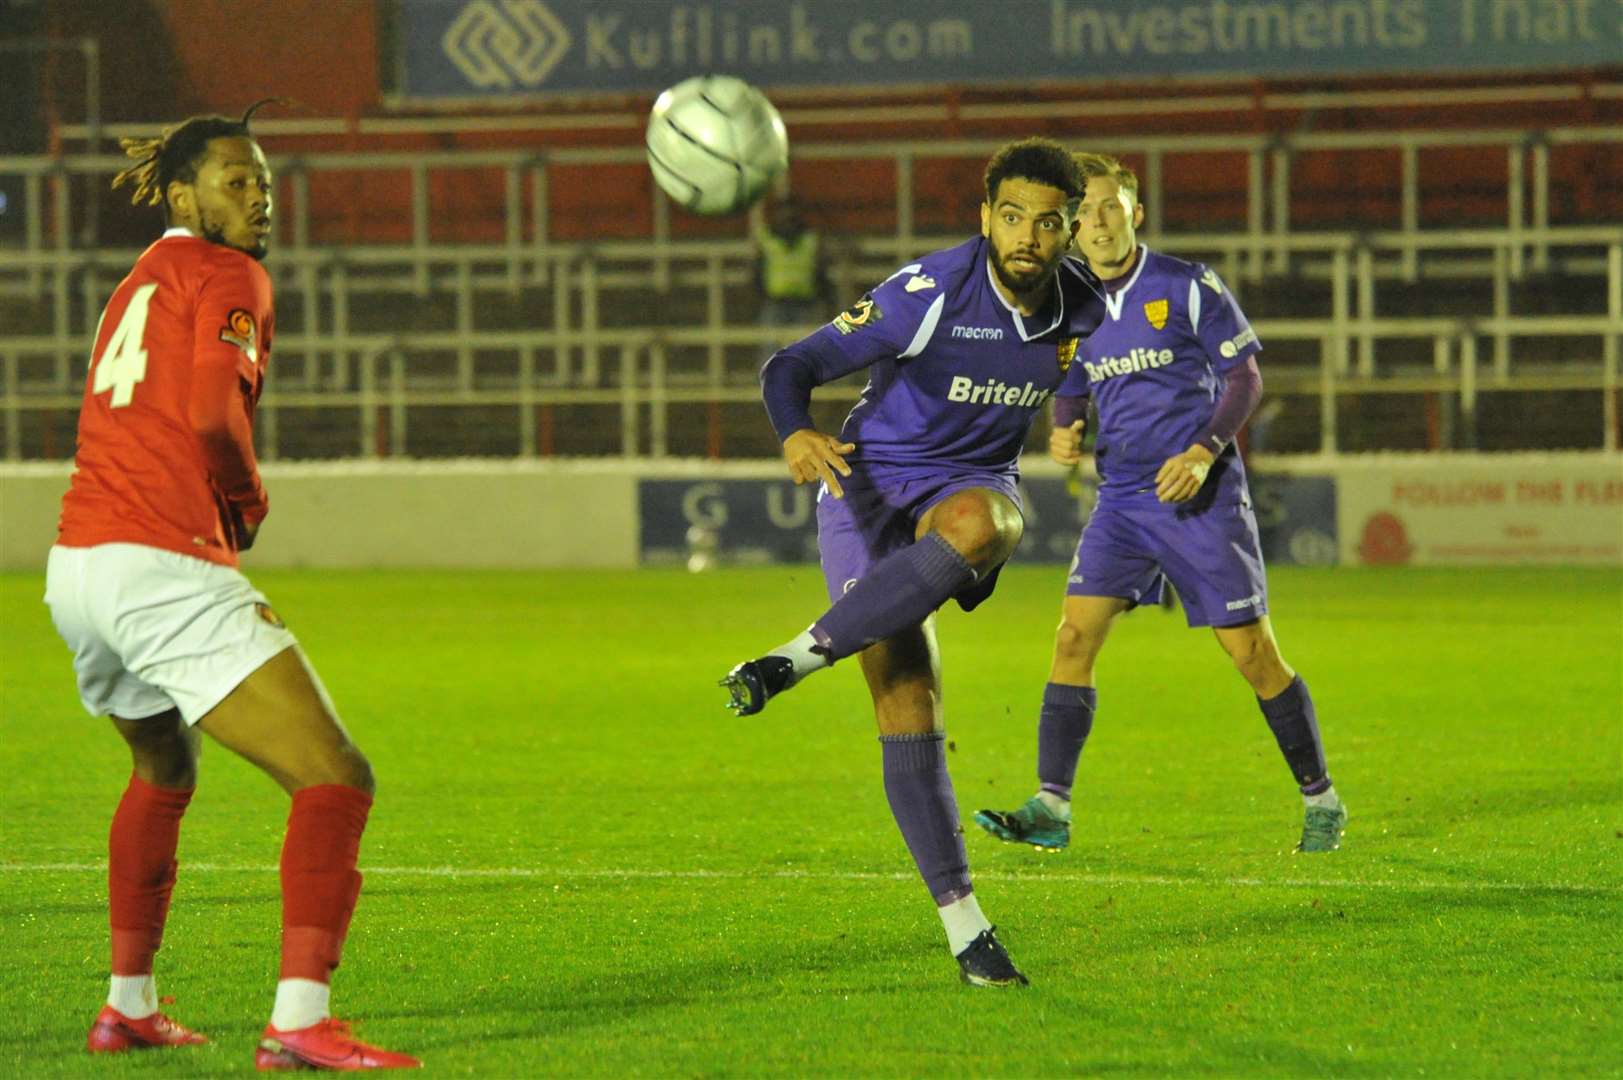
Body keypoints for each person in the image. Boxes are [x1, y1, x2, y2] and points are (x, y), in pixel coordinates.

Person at [44, 103, 419, 1069]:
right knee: (337, 778)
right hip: (160, 561)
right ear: (181, 196)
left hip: (78, 566)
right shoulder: (227, 274)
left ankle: (127, 1005)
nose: (258, 201)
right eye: (234, 182)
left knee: (163, 770)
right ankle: (299, 1023)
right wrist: (245, 497)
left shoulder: (139, 280)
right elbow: (214, 410)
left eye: (262, 182)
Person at [720, 138, 1106, 988]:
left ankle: (791, 659)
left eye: (1047, 223)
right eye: (1011, 217)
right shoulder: (930, 290)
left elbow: (1108, 397)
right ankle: (969, 936)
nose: (1027, 237)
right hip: (866, 489)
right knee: (906, 696)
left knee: (989, 521)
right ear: (985, 219)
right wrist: (794, 430)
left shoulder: (1085, 312)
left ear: (1069, 230)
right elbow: (793, 364)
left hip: (966, 488)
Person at [973, 153, 1347, 857]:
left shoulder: (1185, 285)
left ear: (1134, 214)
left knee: (1250, 654)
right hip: (1121, 499)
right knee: (1072, 637)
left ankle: (1319, 796)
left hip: (1199, 497)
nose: (1098, 223)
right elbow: (1074, 373)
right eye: (1084, 214)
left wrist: (1204, 450)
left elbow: (1243, 378)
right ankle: (1051, 805)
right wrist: (1065, 421)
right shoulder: (1071, 301)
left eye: (1111, 208)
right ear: (1071, 227)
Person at [753, 198, 826, 327]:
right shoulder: (766, 239)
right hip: (775, 302)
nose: (788, 221)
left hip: (804, 304)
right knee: (772, 344)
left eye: (791, 216)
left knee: (805, 345)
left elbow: (821, 270)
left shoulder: (810, 240)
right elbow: (756, 270)